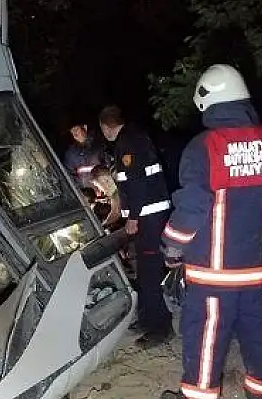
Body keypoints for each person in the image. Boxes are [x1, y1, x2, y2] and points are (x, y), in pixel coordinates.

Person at [159, 65, 262, 399]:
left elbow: (191, 209)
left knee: (206, 345)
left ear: (206, 103)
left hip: (212, 279)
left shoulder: (203, 146)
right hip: (260, 276)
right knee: (261, 343)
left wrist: (171, 248)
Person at [98, 105, 173, 348]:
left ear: (106, 126)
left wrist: (134, 217)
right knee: (143, 270)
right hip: (149, 216)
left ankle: (160, 327)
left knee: (150, 273)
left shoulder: (128, 142)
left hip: (149, 218)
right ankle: (146, 318)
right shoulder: (134, 138)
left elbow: (137, 183)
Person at [63, 123, 110, 189]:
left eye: (76, 130)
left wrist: (103, 184)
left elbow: (110, 167)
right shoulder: (71, 153)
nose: (75, 134)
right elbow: (69, 175)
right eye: (72, 132)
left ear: (85, 127)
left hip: (106, 189)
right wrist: (84, 191)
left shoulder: (100, 145)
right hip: (86, 195)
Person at [89, 165, 122, 229]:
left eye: (98, 185)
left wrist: (100, 227)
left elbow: (115, 214)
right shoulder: (119, 186)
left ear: (106, 180)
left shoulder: (116, 194)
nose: (100, 190)